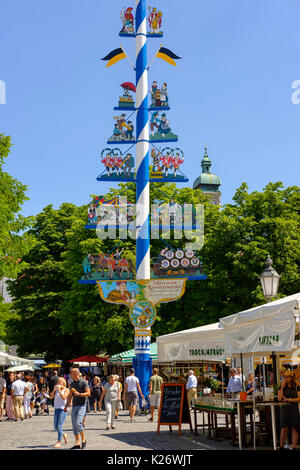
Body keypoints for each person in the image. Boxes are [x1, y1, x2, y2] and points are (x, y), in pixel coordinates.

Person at [64, 367, 90, 450]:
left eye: (71, 373)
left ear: (75, 374)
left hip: (82, 405)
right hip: (75, 405)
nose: (70, 375)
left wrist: (79, 394)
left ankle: (84, 440)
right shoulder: (72, 383)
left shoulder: (84, 382)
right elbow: (70, 395)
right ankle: (77, 442)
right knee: (74, 425)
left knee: (78, 423)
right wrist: (66, 405)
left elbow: (88, 393)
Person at [278, 371, 300, 450]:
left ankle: (294, 447)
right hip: (285, 409)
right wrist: (282, 387)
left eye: (287, 377)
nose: (286, 378)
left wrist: (288, 399)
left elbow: (299, 398)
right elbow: (280, 398)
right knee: (284, 428)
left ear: (291, 377)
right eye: (285, 377)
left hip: (294, 409)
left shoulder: (297, 386)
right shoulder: (282, 386)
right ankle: (281, 446)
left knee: (295, 428)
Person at [50, 377, 69, 448]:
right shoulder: (56, 390)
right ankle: (64, 435)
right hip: (56, 408)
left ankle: (59, 442)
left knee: (59, 426)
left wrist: (59, 390)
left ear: (63, 383)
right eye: (57, 382)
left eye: (59, 382)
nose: (58, 383)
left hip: (63, 409)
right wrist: (54, 390)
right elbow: (51, 397)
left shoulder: (67, 389)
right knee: (56, 427)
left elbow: (64, 397)